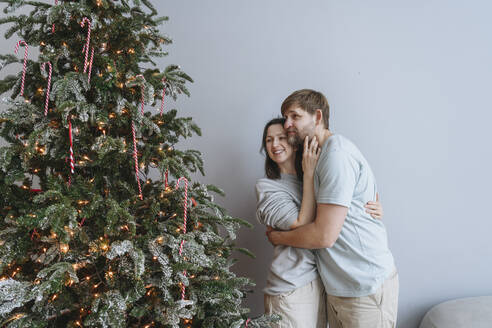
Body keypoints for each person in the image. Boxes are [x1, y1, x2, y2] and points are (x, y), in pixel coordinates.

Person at [266, 89, 399, 328]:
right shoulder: (318, 158)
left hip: (364, 286)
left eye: (295, 116)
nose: (287, 124)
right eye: (285, 117)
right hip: (340, 287)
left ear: (317, 117)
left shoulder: (337, 154)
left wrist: (278, 236)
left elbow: (324, 235)